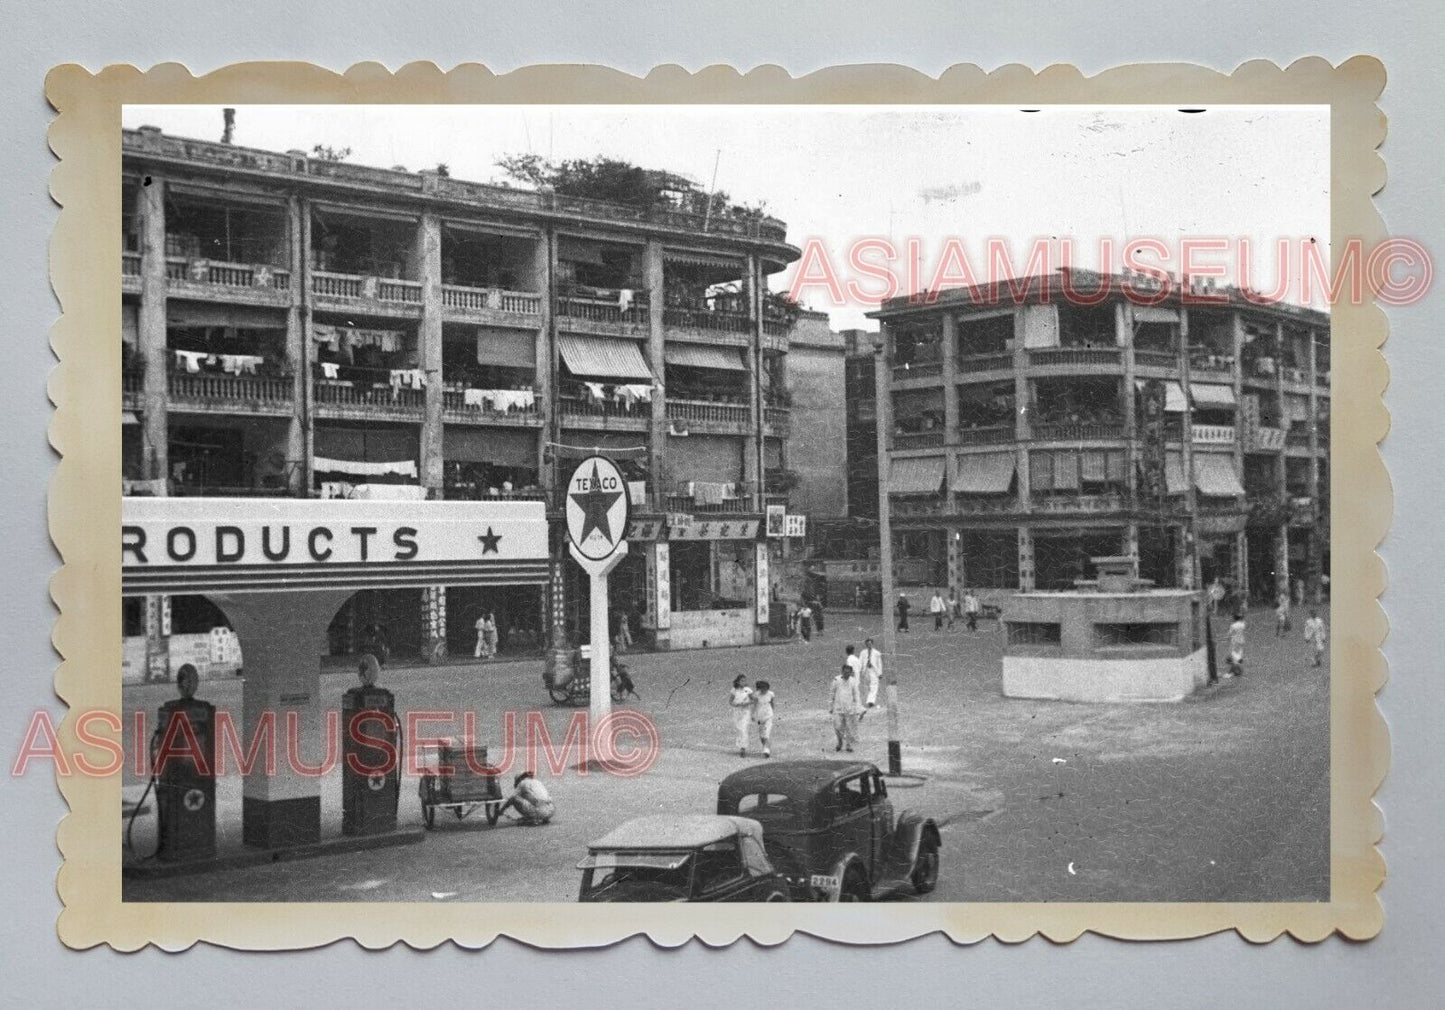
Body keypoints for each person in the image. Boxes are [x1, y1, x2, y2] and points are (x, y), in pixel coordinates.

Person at [828, 662, 862, 753]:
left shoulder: (853, 681)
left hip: (849, 708)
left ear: (851, 673)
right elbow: (832, 694)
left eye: (848, 672)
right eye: (845, 672)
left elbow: (856, 694)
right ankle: (840, 742)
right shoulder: (836, 680)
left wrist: (858, 707)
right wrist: (830, 706)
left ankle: (848, 745)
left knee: (849, 728)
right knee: (837, 726)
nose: (846, 674)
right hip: (838, 708)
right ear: (842, 672)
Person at [729, 675, 755, 758]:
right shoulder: (734, 690)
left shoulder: (748, 690)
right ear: (738, 682)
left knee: (744, 728)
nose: (744, 682)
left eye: (745, 680)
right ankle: (740, 745)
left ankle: (743, 748)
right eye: (742, 681)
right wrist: (735, 704)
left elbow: (753, 700)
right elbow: (730, 701)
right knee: (739, 729)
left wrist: (746, 703)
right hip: (737, 711)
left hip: (745, 711)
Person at [751, 680, 776, 758]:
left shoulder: (771, 694)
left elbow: (772, 703)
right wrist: (753, 714)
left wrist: (772, 711)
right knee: (762, 736)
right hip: (760, 716)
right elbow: (754, 705)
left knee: (766, 734)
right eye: (762, 688)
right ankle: (765, 748)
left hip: (768, 716)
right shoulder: (756, 695)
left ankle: (766, 750)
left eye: (765, 688)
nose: (764, 690)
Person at [858, 637, 882, 709]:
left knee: (874, 685)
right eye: (867, 644)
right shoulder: (863, 652)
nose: (869, 645)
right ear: (866, 644)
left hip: (873, 670)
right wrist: (859, 670)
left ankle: (871, 701)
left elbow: (879, 663)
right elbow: (860, 661)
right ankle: (868, 699)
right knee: (867, 686)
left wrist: (880, 673)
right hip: (866, 670)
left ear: (872, 644)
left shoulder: (877, 653)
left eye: (870, 644)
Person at [1227, 611, 1247, 677]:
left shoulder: (1233, 625)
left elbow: (1229, 634)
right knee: (1239, 652)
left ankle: (1237, 669)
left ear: (1234, 618)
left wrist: (1228, 638)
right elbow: (1244, 625)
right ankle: (1235, 669)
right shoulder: (1242, 624)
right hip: (1241, 641)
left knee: (1233, 654)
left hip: (1235, 641)